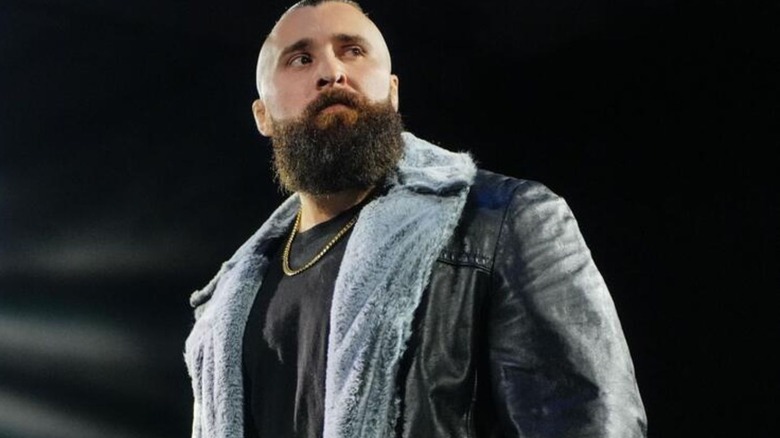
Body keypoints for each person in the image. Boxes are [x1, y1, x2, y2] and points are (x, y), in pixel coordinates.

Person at [183, 0, 647, 437]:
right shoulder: (226, 304)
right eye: (300, 60)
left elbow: (589, 419)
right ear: (263, 115)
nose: (332, 72)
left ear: (392, 90)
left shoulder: (504, 221)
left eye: (353, 50)